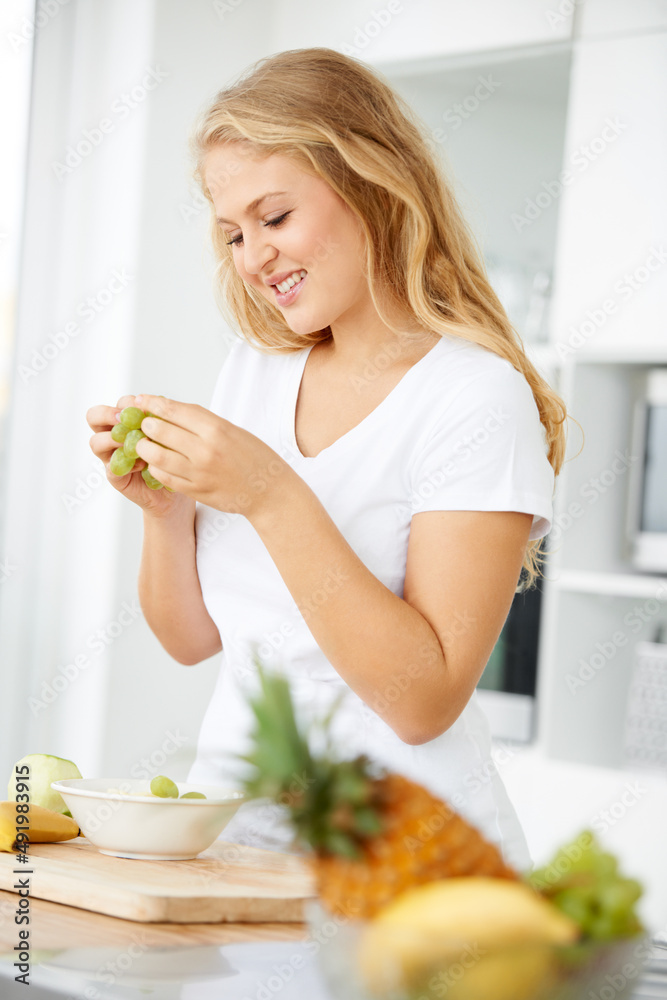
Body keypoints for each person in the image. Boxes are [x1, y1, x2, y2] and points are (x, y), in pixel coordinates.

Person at [86, 47, 567, 872]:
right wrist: (165, 513)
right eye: (233, 234)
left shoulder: (474, 398)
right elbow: (193, 640)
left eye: (274, 218)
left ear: (372, 185)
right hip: (238, 847)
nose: (252, 256)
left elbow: (422, 701)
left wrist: (270, 494)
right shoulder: (255, 370)